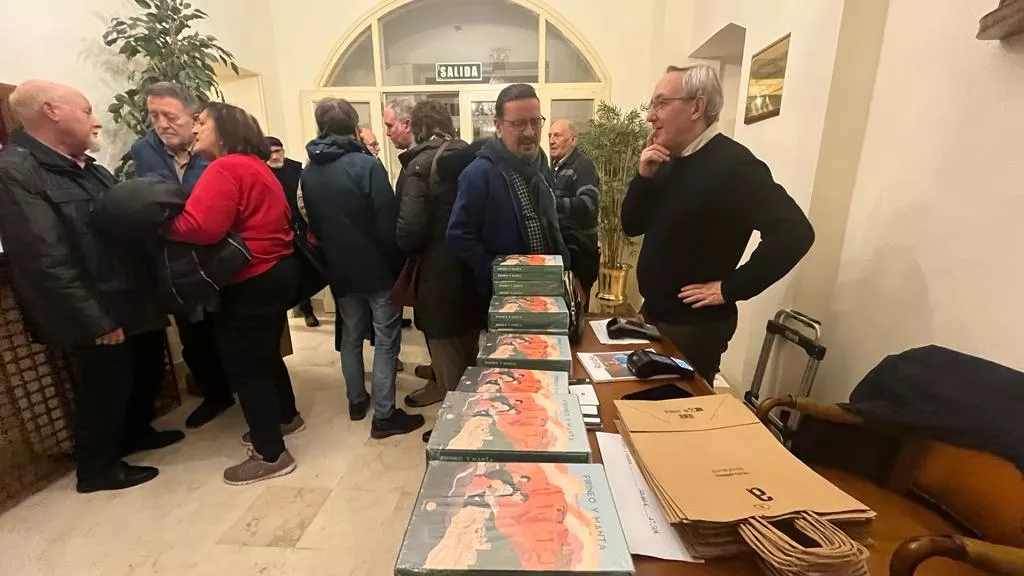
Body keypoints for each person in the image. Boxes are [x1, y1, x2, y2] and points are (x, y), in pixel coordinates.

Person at [0, 80, 179, 493]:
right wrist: (95, 320)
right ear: (52, 111)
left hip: (128, 296)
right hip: (95, 306)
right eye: (85, 110)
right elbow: (45, 257)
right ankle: (96, 469)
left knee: (144, 368)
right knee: (105, 385)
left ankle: (136, 433)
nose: (95, 120)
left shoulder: (90, 168)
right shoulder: (17, 170)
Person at [622, 64, 815, 381]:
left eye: (661, 103)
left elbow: (795, 232)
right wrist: (643, 178)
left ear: (696, 106)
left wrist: (731, 287)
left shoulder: (734, 166)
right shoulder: (668, 159)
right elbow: (632, 225)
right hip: (655, 315)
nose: (650, 116)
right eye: (651, 105)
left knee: (677, 416)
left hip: (694, 329)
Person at [166, 102, 303, 485]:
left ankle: (270, 453)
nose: (195, 130)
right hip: (277, 270)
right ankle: (285, 416)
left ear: (225, 128)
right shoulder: (256, 165)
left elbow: (201, 227)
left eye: (202, 122)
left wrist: (161, 221)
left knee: (245, 366)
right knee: (264, 354)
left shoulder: (225, 167)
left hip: (252, 276)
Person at [301, 97, 424, 439]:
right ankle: (384, 416)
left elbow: (313, 223)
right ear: (353, 128)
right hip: (376, 268)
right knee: (386, 341)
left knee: (351, 336)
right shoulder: (366, 165)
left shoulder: (309, 172)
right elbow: (387, 222)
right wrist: (397, 263)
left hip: (339, 270)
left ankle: (357, 400)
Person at [129, 82, 232, 430]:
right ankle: (216, 395)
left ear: (193, 117)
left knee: (231, 330)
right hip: (175, 262)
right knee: (193, 338)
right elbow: (150, 200)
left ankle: (249, 393)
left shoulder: (216, 147)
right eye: (154, 115)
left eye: (170, 116)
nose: (161, 123)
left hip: (219, 258)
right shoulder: (143, 151)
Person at [395, 100, 486, 441]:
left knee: (446, 353)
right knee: (470, 349)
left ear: (417, 127)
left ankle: (458, 428)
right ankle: (480, 418)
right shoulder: (472, 158)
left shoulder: (420, 165)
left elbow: (410, 231)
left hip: (437, 273)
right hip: (472, 270)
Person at [447, 83, 570, 301]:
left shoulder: (541, 165)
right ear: (498, 126)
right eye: (519, 124)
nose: (530, 132)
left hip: (548, 287)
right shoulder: (479, 173)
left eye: (535, 122)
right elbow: (458, 235)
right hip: (505, 298)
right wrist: (496, 270)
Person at [266, 136, 319, 328]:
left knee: (311, 268)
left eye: (278, 151)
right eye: (271, 152)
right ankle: (306, 311)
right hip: (279, 231)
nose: (275, 156)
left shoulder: (296, 168)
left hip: (302, 227)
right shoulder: (262, 172)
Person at [549, 119, 600, 302]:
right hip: (565, 256)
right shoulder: (555, 167)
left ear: (573, 140)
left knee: (576, 313)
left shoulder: (583, 165)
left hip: (580, 257)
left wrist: (552, 204)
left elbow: (589, 205)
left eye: (557, 135)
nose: (551, 140)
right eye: (550, 136)